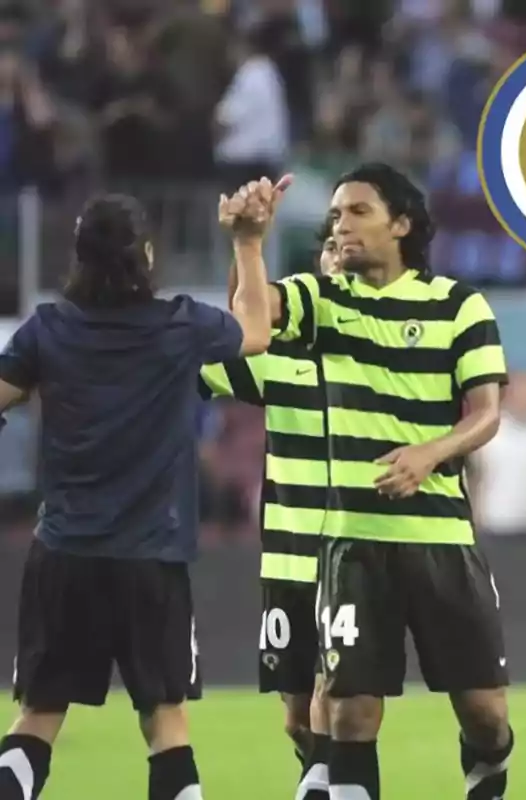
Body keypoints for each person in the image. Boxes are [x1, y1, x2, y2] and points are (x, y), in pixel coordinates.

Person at [238, 162, 512, 800]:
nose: (342, 225)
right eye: (336, 215)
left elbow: (488, 413)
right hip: (352, 543)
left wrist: (430, 453)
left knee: (485, 713)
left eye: (358, 211)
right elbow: (253, 328)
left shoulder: (457, 304)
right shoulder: (323, 299)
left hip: (441, 538)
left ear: (403, 224)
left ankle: (490, 764)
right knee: (348, 716)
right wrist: (248, 242)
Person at [0, 182, 278, 800]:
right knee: (165, 721)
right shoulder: (179, 325)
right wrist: (248, 242)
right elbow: (256, 331)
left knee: (39, 718)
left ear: (78, 257)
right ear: (146, 256)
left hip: (63, 553)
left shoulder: (47, 330)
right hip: (150, 559)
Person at [198, 222, 341, 800]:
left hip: (350, 556)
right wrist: (244, 248)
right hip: (286, 560)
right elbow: (236, 333)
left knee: (340, 700)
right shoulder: (279, 356)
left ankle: (326, 783)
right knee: (295, 717)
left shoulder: (386, 358)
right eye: (328, 249)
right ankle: (322, 776)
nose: (338, 257)